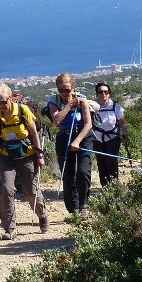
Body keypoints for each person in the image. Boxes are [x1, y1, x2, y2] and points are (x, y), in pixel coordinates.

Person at [0, 82, 48, 240]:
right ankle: (9, 228)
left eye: (4, 101)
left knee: (31, 192)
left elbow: (34, 133)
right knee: (7, 189)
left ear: (10, 98)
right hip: (7, 156)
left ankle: (42, 215)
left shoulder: (23, 110)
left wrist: (39, 154)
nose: (1, 105)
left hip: (27, 155)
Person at [45, 72, 93, 219]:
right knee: (68, 174)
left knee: (83, 171)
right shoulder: (54, 100)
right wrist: (70, 104)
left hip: (83, 136)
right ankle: (73, 209)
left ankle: (83, 204)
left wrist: (78, 140)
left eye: (67, 89)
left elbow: (88, 124)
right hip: (64, 137)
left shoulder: (82, 99)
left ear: (73, 87)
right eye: (61, 90)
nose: (65, 93)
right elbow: (56, 120)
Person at [90, 81, 128, 187]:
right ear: (97, 94)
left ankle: (114, 187)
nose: (103, 94)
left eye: (106, 92)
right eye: (100, 92)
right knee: (101, 163)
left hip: (113, 138)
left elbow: (122, 122)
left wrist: (125, 134)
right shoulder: (92, 106)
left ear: (109, 93)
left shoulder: (115, 106)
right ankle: (105, 186)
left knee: (111, 161)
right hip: (97, 139)